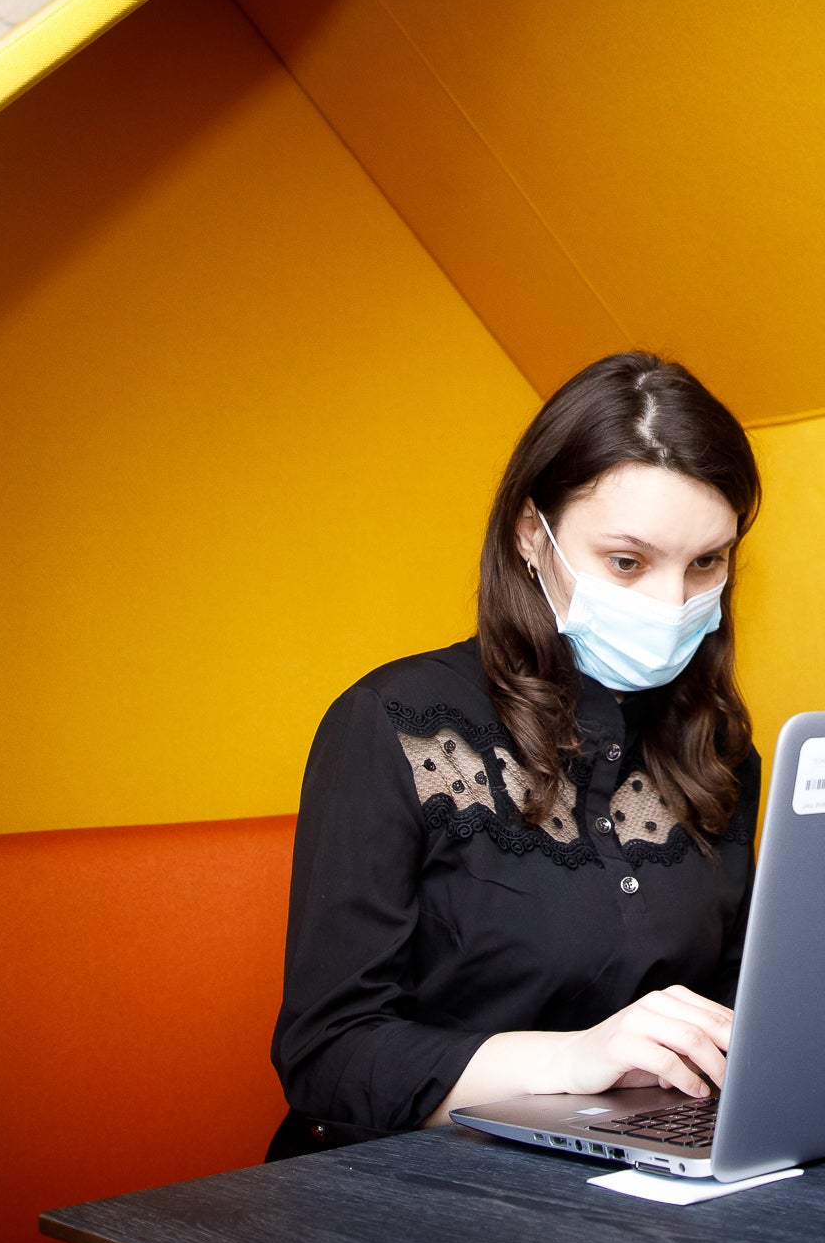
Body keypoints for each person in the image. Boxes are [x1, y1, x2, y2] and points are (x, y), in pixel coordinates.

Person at [267, 350, 765, 1160]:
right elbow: (327, 1058)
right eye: (627, 562)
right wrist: (572, 1060)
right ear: (532, 536)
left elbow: (733, 1012)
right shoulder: (393, 724)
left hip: (630, 1166)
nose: (672, 605)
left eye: (706, 562)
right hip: (401, 1177)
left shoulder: (719, 749)